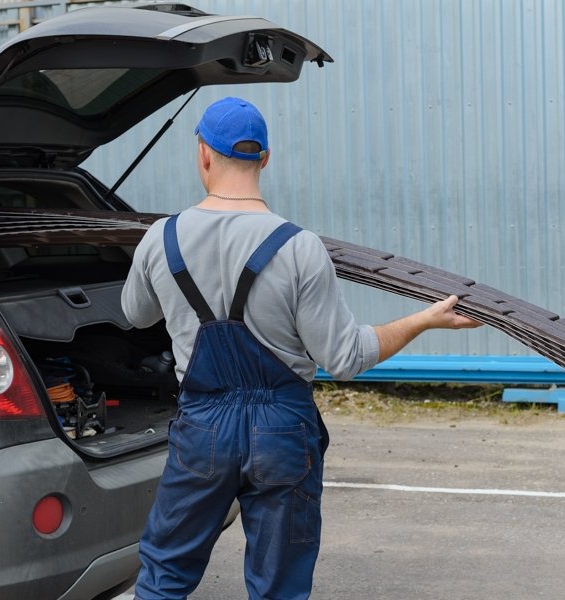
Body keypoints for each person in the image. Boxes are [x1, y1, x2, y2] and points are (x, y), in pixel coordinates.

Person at [121, 96, 481, 600]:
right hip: (283, 434)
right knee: (279, 589)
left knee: (163, 578)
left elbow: (134, 315)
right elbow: (346, 359)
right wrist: (424, 318)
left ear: (202, 153)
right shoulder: (299, 247)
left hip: (202, 429)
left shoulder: (161, 238)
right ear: (264, 158)